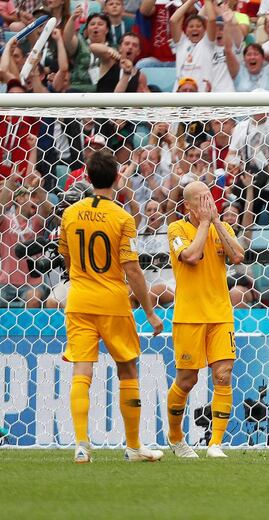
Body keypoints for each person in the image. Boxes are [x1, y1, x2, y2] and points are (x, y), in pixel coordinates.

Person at [58, 150, 164, 463]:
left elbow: (66, 256)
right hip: (113, 301)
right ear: (118, 178)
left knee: (81, 369)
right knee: (128, 369)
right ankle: (133, 447)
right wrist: (150, 312)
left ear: (87, 178)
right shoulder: (122, 217)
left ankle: (80, 445)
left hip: (79, 299)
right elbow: (132, 269)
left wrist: (80, 276)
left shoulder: (70, 213)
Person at [166, 181, 245, 458]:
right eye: (200, 200)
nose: (208, 204)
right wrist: (203, 225)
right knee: (187, 380)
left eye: (209, 198)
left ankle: (215, 444)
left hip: (221, 315)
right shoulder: (176, 229)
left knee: (223, 375)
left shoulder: (222, 228)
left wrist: (217, 224)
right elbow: (191, 255)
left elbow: (237, 255)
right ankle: (175, 438)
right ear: (188, 205)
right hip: (189, 316)